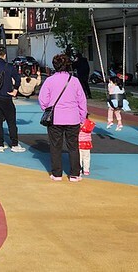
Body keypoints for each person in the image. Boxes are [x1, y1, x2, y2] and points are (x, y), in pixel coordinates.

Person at [38, 53, 88, 181]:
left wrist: (47, 108)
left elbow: (43, 100)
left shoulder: (49, 81)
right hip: (73, 118)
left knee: (55, 146)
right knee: (73, 146)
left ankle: (57, 174)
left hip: (55, 118)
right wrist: (82, 117)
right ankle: (75, 174)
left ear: (54, 66)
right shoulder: (75, 81)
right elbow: (82, 100)